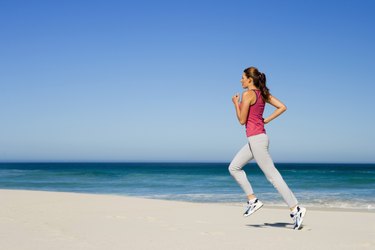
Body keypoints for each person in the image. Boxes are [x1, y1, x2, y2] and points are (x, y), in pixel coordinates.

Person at [228, 66, 306, 230]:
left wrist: (236, 103)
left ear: (250, 79)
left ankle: (296, 208)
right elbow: (282, 107)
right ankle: (252, 200)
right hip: (257, 139)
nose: (241, 80)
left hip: (257, 140)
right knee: (234, 167)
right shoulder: (263, 94)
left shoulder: (247, 94)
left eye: (243, 77)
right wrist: (267, 120)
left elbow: (242, 120)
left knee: (273, 177)